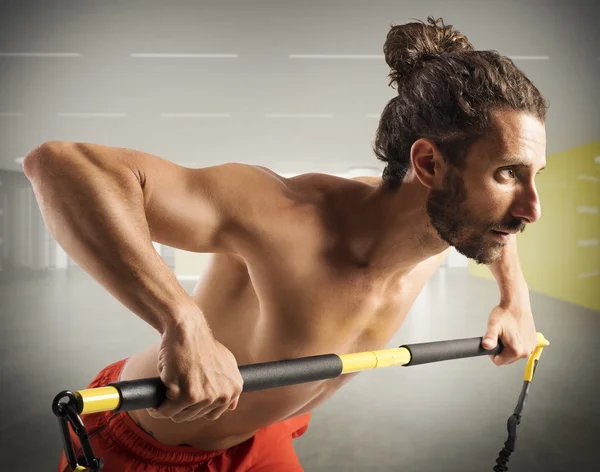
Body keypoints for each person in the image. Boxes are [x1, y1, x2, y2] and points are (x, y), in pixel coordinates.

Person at [25, 16, 546, 472]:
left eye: (532, 176)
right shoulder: (285, 215)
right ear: (430, 164)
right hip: (140, 442)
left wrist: (514, 300)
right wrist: (181, 322)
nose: (531, 208)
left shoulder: (455, 221)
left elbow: (504, 222)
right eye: (508, 174)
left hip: (257, 438)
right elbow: (59, 166)